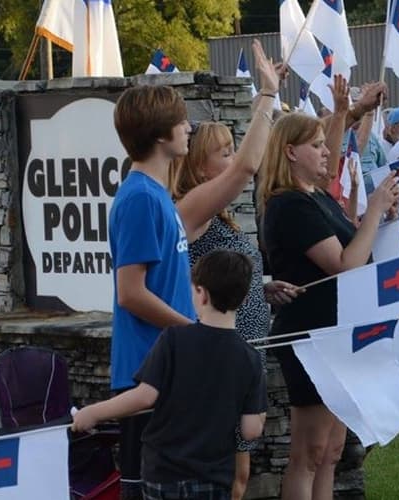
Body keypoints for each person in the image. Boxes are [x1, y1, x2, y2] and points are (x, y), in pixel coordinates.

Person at [169, 40, 295, 500]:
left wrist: (260, 285)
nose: (233, 156)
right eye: (222, 152)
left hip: (245, 346)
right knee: (226, 475)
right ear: (200, 169)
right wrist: (266, 94)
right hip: (222, 353)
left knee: (239, 471)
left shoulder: (213, 215)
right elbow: (247, 167)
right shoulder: (190, 209)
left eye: (230, 149)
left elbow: (219, 273)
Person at [258, 111, 399, 500]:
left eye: (324, 143)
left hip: (340, 328)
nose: (326, 153)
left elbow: (355, 245)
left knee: (332, 450)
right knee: (310, 450)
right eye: (316, 145)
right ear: (290, 151)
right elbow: (343, 264)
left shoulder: (316, 195)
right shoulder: (288, 204)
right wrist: (372, 211)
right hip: (312, 334)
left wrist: (379, 220)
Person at [72, 250, 268, 500]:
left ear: (201, 293)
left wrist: (93, 413)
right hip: (213, 477)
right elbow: (251, 430)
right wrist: (259, 414)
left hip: (163, 472)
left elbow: (144, 397)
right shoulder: (249, 358)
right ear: (244, 299)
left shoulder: (174, 339)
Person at [109, 84, 196, 500]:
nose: (189, 127)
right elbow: (130, 293)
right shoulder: (141, 197)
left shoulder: (156, 193)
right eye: (181, 121)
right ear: (161, 136)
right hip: (146, 370)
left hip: (166, 365)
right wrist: (194, 332)